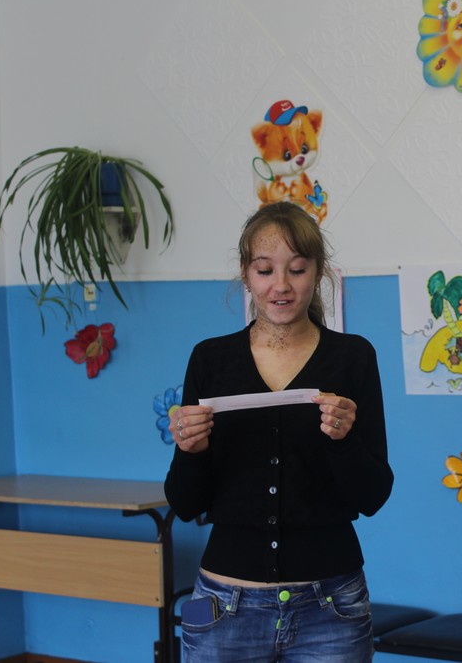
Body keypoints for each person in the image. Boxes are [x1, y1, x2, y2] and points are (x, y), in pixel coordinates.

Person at [165, 201, 394, 663]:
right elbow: (185, 503)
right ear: (246, 274)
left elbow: (373, 496)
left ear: (318, 272)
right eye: (265, 270)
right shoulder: (211, 359)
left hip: (332, 606)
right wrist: (192, 449)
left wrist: (343, 441)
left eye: (297, 269)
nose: (281, 285)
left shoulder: (353, 357)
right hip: (224, 606)